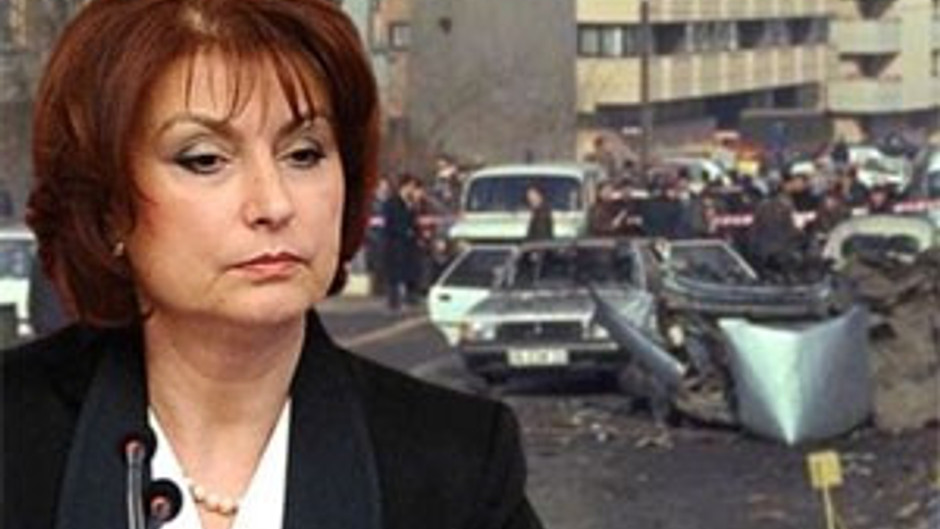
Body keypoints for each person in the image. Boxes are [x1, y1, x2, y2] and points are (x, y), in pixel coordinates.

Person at [2, 2, 544, 529]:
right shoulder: (16, 435)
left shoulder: (456, 462)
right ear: (106, 207)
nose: (274, 204)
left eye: (304, 154)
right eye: (206, 159)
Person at [382, 173, 423, 310]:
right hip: (395, 244)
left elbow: (414, 222)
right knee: (394, 274)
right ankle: (393, 301)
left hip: (409, 244)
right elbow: (390, 223)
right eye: (411, 186)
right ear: (404, 186)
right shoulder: (392, 203)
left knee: (411, 271)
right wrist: (405, 231)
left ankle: (411, 298)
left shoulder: (410, 203)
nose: (412, 189)